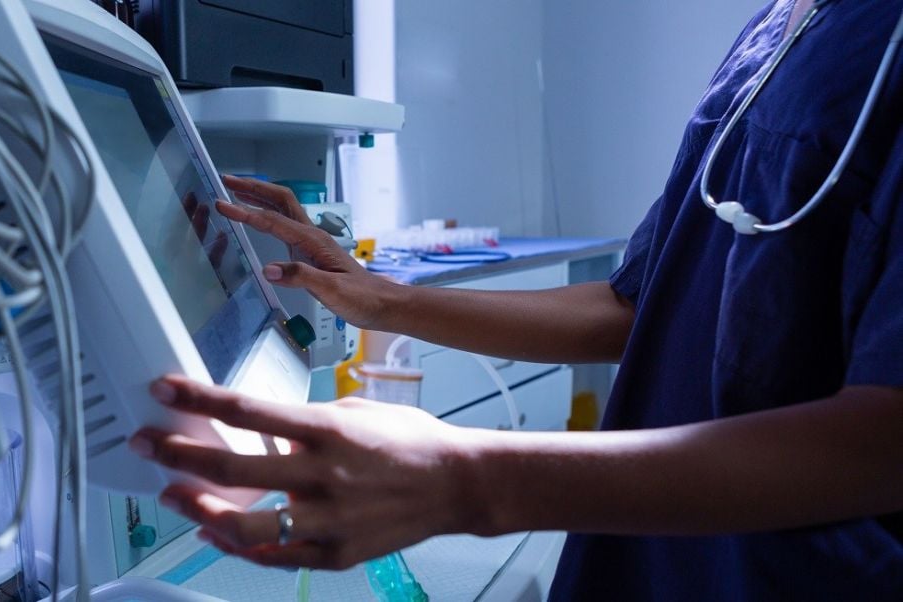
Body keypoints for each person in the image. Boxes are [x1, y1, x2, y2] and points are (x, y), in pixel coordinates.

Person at [127, 0, 903, 598]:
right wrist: (384, 301)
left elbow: (886, 437)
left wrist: (469, 481)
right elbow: (639, 306)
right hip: (654, 566)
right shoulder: (779, 29)